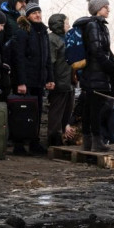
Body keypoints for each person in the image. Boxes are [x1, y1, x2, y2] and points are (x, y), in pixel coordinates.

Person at [73, 0, 114, 152]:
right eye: (106, 7)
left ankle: (88, 143)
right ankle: (96, 142)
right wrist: (109, 66)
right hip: (95, 73)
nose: (109, 10)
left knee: (89, 108)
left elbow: (105, 50)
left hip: (94, 73)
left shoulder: (100, 25)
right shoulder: (94, 25)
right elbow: (96, 50)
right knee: (94, 109)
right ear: (97, 9)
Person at [10, 2, 53, 154]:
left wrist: (50, 78)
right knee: (22, 114)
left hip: (38, 81)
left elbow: (48, 59)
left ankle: (34, 142)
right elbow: (19, 59)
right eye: (34, 13)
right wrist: (21, 82)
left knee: (37, 113)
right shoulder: (22, 32)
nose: (38, 15)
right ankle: (19, 144)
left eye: (39, 12)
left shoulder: (43, 33)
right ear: (27, 16)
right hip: (26, 81)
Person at [46, 13, 75, 147]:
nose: (68, 25)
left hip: (68, 81)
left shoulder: (66, 38)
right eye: (66, 22)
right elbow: (50, 62)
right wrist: (50, 80)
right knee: (56, 112)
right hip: (58, 81)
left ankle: (63, 136)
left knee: (67, 111)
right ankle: (54, 140)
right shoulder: (52, 39)